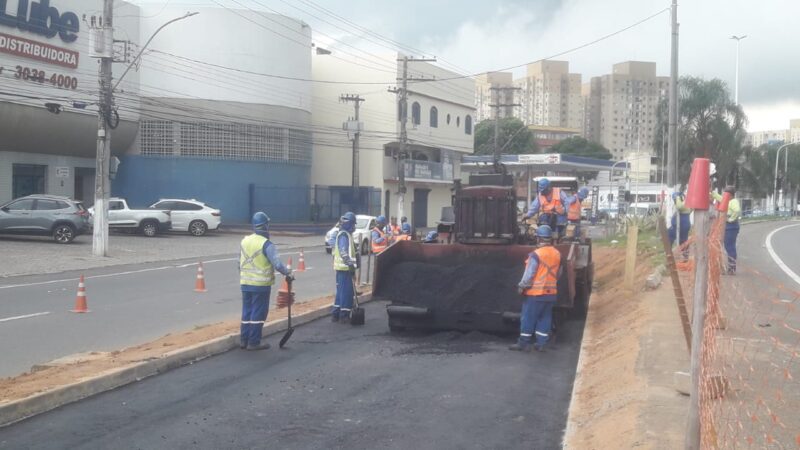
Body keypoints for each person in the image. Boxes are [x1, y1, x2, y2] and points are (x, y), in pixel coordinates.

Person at [239, 212, 292, 351]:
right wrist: (288, 273)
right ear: (266, 225)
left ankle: (243, 340)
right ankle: (254, 342)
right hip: (260, 285)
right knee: (258, 312)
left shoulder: (245, 241)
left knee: (247, 312)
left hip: (245, 283)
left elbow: (238, 262)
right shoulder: (266, 244)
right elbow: (278, 264)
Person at [510, 225, 562, 353]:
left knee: (528, 318)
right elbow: (559, 272)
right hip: (551, 294)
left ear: (538, 238)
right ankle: (542, 343)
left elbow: (530, 274)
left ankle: (523, 343)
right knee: (544, 318)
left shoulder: (536, 254)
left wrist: (522, 286)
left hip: (535, 293)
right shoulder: (557, 253)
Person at [332, 211, 360, 323]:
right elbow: (344, 252)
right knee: (346, 292)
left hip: (342, 269)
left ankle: (336, 314)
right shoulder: (343, 235)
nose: (354, 226)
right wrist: (350, 265)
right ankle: (344, 315)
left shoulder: (345, 234)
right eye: (353, 224)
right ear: (349, 224)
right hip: (345, 269)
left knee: (340, 292)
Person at [712, 186, 741, 274]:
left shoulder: (733, 201)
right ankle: (730, 268)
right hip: (728, 225)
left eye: (725, 194)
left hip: (731, 226)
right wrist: (712, 192)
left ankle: (732, 268)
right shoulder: (728, 201)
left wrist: (731, 219)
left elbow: (737, 210)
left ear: (730, 195)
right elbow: (719, 198)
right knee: (727, 246)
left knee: (730, 247)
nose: (724, 195)